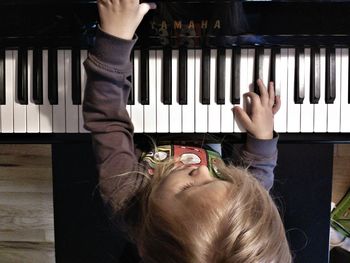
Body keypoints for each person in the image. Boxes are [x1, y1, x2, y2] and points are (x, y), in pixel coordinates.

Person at [83, 0, 292, 262]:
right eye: (221, 180)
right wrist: (262, 138)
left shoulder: (125, 194)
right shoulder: (238, 207)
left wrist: (114, 40)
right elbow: (259, 179)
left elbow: (106, 119)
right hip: (209, 137)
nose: (203, 170)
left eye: (188, 189)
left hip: (149, 135)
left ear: (149, 239)